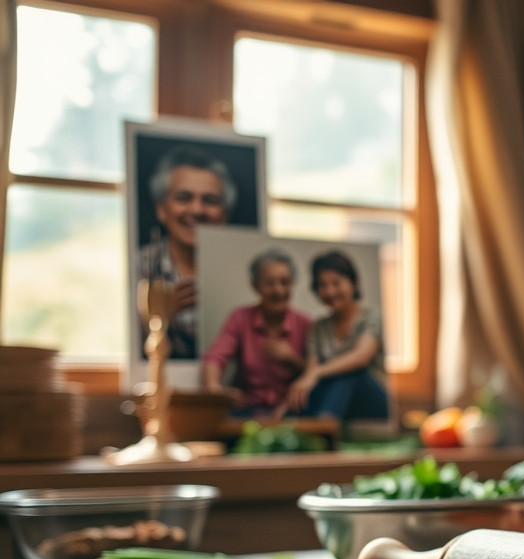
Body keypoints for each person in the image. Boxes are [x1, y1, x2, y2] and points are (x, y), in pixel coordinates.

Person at [137, 145, 236, 360]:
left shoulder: (242, 271)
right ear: (161, 209)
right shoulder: (139, 266)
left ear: (225, 214)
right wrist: (160, 317)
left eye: (210, 201)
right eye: (184, 198)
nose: (197, 210)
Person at [281, 250, 389, 423]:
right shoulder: (318, 328)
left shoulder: (371, 318)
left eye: (336, 283)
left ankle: (325, 425)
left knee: (350, 373)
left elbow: (361, 357)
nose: (330, 291)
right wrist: (287, 403)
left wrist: (317, 372)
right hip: (335, 399)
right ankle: (289, 424)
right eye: (323, 285)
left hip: (371, 399)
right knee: (312, 387)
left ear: (353, 283)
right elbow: (310, 371)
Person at [200, 248, 311, 416]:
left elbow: (315, 372)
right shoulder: (240, 318)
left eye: (284, 282)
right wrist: (214, 387)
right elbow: (215, 356)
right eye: (269, 283)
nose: (278, 290)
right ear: (255, 286)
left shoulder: (305, 324)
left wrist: (292, 359)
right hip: (246, 409)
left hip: (291, 411)